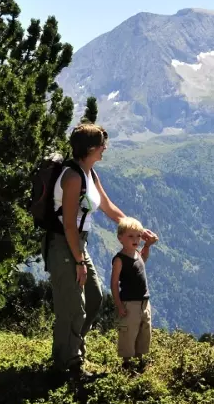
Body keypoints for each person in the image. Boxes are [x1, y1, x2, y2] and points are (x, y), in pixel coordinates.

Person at [48, 122, 156, 378]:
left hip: (76, 244)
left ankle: (73, 350)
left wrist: (138, 230)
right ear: (91, 148)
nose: (105, 149)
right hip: (64, 244)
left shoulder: (89, 174)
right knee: (73, 304)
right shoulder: (73, 178)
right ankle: (68, 364)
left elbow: (108, 207)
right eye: (102, 145)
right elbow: (70, 227)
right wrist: (78, 261)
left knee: (94, 296)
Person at [110, 217, 157, 370]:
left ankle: (140, 360)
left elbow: (142, 259)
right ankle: (127, 363)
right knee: (129, 333)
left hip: (144, 302)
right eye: (130, 236)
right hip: (129, 303)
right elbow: (114, 283)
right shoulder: (119, 259)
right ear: (120, 238)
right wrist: (119, 305)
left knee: (144, 331)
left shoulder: (137, 254)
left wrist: (148, 245)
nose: (135, 239)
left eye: (138, 236)